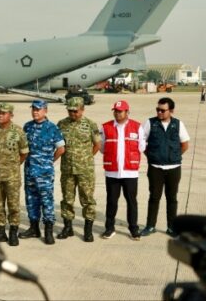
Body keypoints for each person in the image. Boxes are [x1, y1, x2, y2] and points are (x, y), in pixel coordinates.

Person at [141, 97, 190, 237]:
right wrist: (151, 156)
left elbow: (185, 144)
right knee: (154, 197)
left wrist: (174, 156)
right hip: (155, 168)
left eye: (162, 110)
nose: (159, 113)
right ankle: (150, 226)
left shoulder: (178, 124)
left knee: (172, 198)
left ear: (171, 111)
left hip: (174, 168)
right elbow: (142, 143)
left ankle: (172, 227)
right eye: (157, 110)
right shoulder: (150, 123)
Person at [19, 100, 65, 245]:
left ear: (45, 110)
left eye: (38, 109)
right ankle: (34, 228)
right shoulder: (27, 127)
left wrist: (49, 161)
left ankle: (48, 231)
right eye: (33, 109)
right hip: (29, 171)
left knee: (47, 201)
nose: (35, 112)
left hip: (44, 172)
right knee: (31, 200)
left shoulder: (52, 128)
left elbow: (61, 149)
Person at [56, 97, 101, 242]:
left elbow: (97, 145)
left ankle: (88, 230)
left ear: (82, 110)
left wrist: (86, 159)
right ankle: (67, 227)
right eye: (70, 110)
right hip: (67, 169)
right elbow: (58, 144)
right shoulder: (62, 124)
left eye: (75, 111)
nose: (72, 113)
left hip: (85, 170)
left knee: (87, 200)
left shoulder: (90, 125)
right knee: (67, 199)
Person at [0, 102, 29, 246]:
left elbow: (24, 153)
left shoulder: (18, 131)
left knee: (13, 205)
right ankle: (1, 232)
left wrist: (13, 165)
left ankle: (13, 232)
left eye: (3, 113)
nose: (0, 115)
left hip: (12, 176)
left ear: (11, 115)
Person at [100, 100, 145, 240]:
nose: (117, 113)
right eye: (115, 111)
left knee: (131, 201)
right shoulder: (105, 127)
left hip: (130, 172)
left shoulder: (137, 127)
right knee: (111, 201)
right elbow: (102, 147)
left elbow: (142, 147)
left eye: (120, 111)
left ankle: (133, 229)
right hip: (112, 171)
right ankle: (109, 228)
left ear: (127, 112)